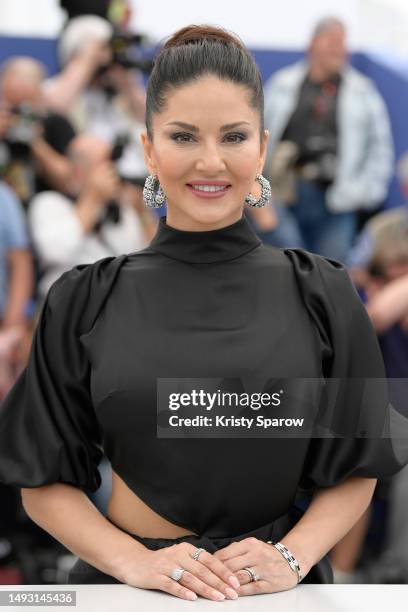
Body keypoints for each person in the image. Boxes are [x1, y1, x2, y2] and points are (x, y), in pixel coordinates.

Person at [0, 24, 407, 601]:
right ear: (148, 148)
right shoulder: (85, 297)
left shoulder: (322, 290)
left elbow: (358, 464)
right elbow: (41, 482)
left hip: (275, 594)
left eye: (234, 136)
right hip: (130, 593)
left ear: (262, 147)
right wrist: (135, 563)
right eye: (184, 136)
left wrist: (292, 558)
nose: (210, 161)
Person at [262, 17, 394, 262]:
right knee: (286, 264)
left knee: (331, 272)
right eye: (331, 41)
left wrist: (364, 193)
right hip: (286, 194)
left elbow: (380, 148)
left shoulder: (363, 91)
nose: (338, 49)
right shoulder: (283, 84)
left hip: (337, 200)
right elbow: (260, 132)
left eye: (342, 43)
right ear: (312, 44)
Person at [27, 133, 155, 302]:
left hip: (117, 308)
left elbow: (149, 257)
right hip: (69, 309)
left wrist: (141, 212)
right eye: (105, 164)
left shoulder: (119, 210)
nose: (113, 171)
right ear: (79, 171)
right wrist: (93, 198)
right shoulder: (49, 203)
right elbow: (57, 252)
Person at [0, 57, 76, 205]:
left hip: (46, 210)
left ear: (40, 96)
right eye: (12, 106)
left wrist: (35, 142)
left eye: (25, 107)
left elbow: (70, 183)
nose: (17, 115)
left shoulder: (55, 124)